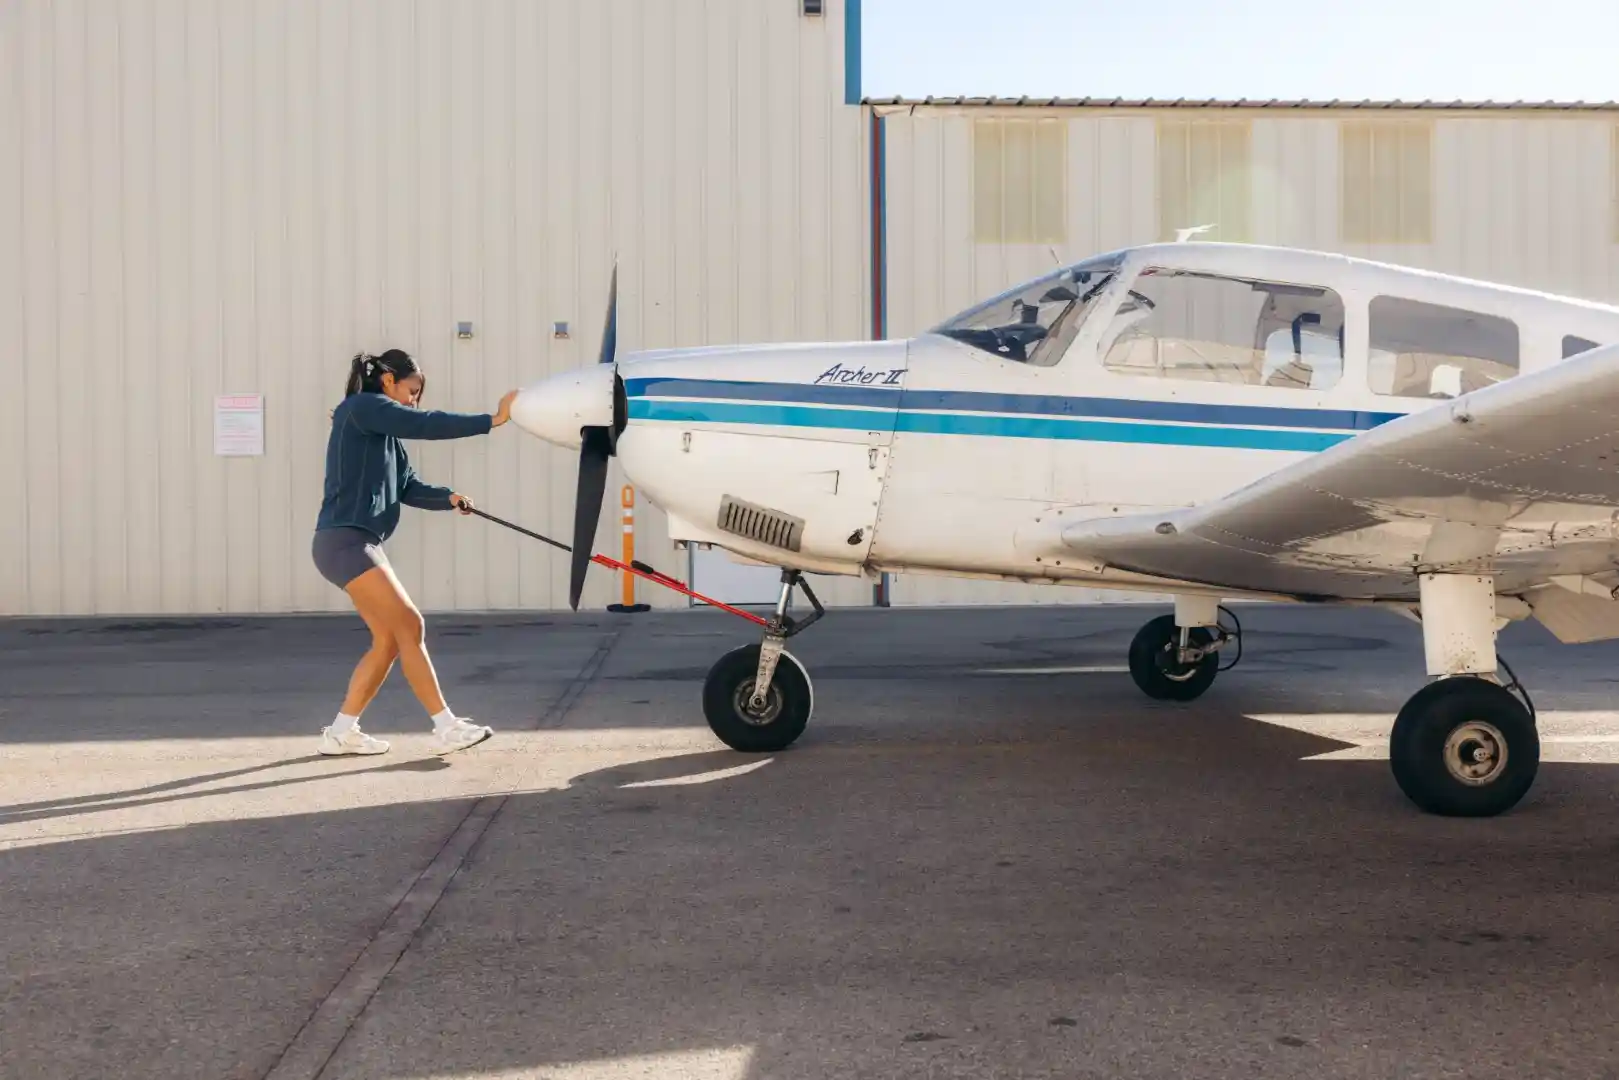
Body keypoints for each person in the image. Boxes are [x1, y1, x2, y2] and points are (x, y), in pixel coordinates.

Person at [310, 348, 519, 756]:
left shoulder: (385, 435)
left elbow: (407, 487)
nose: (415, 399)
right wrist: (492, 420)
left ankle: (341, 732)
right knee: (411, 624)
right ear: (388, 380)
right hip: (345, 541)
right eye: (412, 389)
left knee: (389, 639)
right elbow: (423, 423)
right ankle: (446, 725)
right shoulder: (363, 406)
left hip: (358, 542)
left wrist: (448, 498)